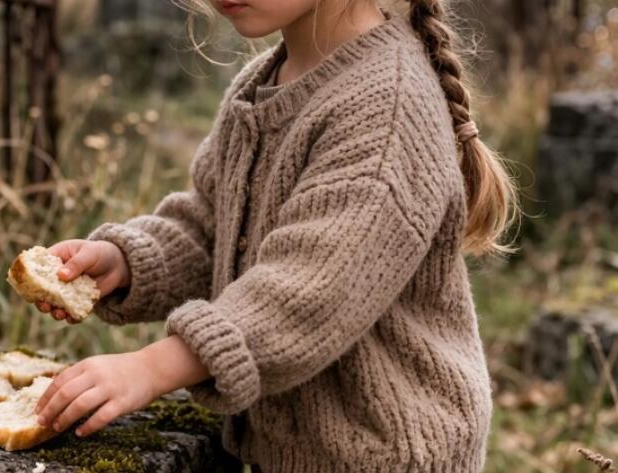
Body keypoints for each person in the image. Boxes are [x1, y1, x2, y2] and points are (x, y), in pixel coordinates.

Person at [34, 0, 517, 471]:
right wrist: (127, 261)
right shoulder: (262, 82)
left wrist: (152, 369)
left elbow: (309, 291)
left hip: (384, 451)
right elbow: (213, 226)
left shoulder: (387, 105)